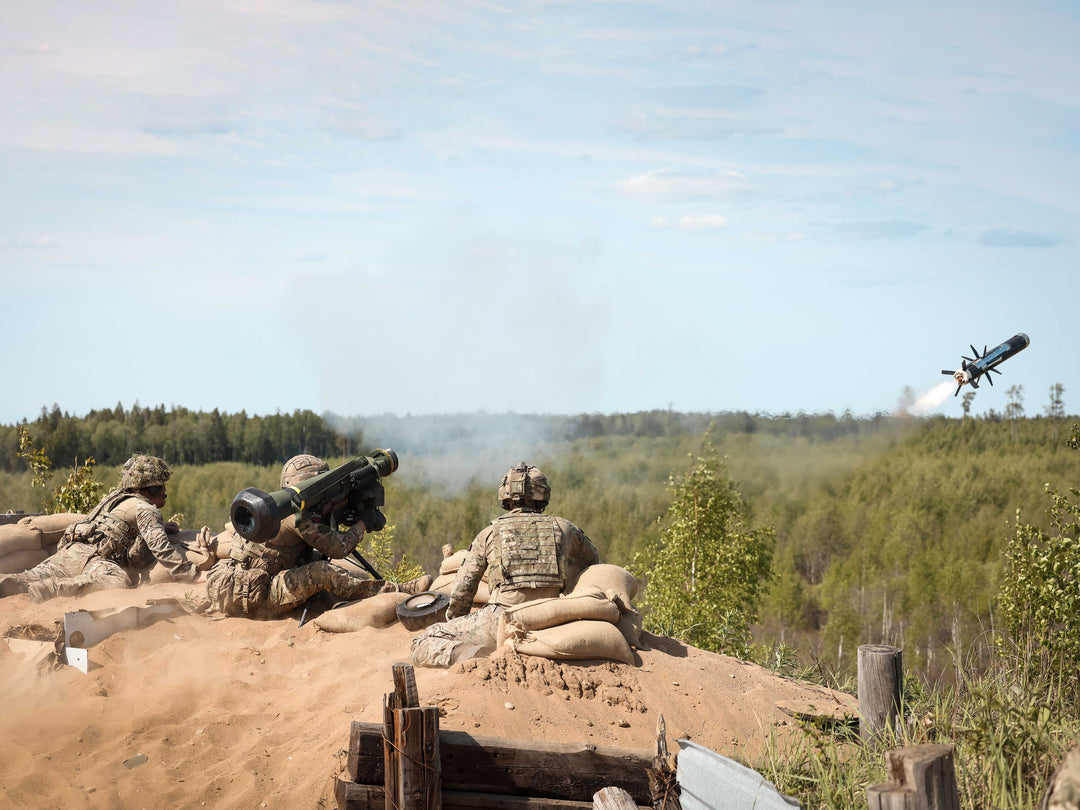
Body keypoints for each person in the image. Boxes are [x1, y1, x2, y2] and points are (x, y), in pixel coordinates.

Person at [410, 461, 600, 667]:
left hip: (502, 619)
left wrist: (455, 621)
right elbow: (593, 563)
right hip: (551, 618)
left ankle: (469, 655)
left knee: (426, 639)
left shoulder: (489, 534)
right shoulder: (565, 528)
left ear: (506, 495)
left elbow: (463, 590)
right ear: (543, 495)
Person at [205, 454, 430, 618]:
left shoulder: (268, 507)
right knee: (322, 571)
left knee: (311, 557)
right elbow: (339, 548)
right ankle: (396, 591)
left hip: (228, 588)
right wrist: (361, 524)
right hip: (257, 596)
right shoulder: (298, 517)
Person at [0, 454, 209, 602]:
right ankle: (49, 590)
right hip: (98, 560)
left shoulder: (115, 498)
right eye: (162, 486)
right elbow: (162, 549)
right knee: (118, 581)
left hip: (71, 551)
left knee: (29, 575)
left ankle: (9, 582)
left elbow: (118, 524)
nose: (165, 491)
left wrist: (161, 526)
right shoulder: (147, 510)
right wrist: (193, 575)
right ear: (152, 487)